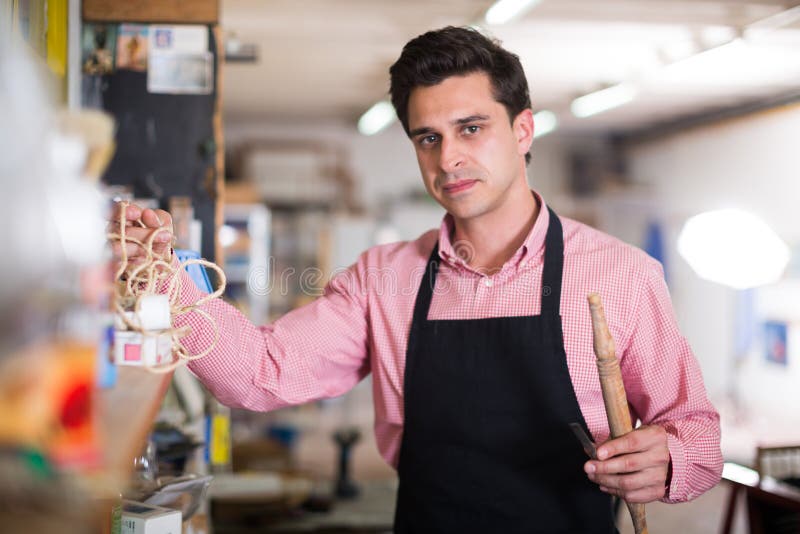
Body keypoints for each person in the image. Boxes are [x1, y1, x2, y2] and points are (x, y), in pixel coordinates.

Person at [113, 26, 722, 533]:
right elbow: (257, 375)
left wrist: (669, 460)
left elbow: (698, 434)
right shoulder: (384, 279)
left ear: (523, 130)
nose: (448, 157)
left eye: (472, 128)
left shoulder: (619, 275)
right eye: (428, 138)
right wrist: (162, 277)